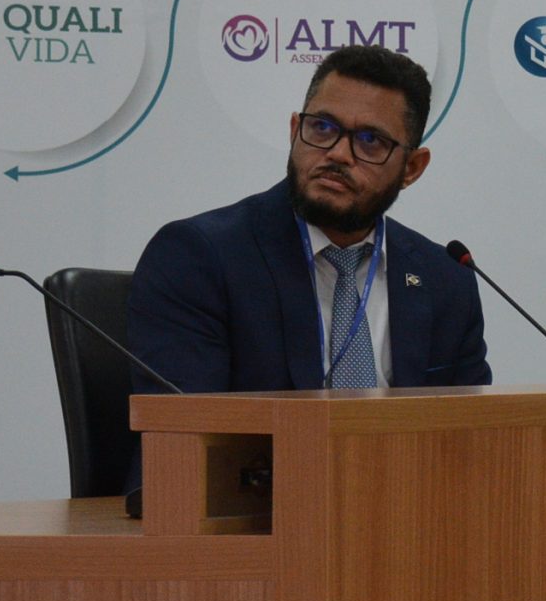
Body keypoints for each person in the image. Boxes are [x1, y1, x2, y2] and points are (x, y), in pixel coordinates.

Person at [129, 44, 491, 394]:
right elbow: (185, 427)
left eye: (370, 140)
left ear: (412, 167)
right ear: (294, 132)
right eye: (322, 128)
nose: (338, 154)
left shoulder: (446, 281)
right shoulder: (200, 258)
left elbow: (474, 427)